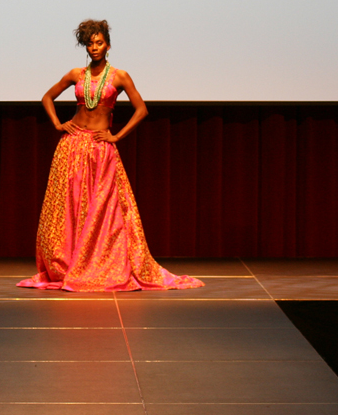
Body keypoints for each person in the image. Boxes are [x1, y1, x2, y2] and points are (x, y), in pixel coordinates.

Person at [17, 19, 203, 292]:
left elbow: (142, 110)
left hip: (101, 148)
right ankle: (68, 263)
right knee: (70, 207)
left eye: (99, 42)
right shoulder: (76, 74)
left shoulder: (120, 76)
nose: (94, 47)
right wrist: (58, 124)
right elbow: (47, 97)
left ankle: (97, 264)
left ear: (108, 45)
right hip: (72, 145)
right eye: (90, 43)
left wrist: (117, 136)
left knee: (102, 209)